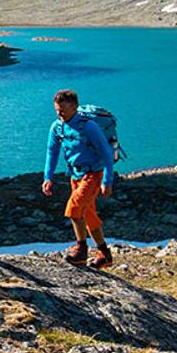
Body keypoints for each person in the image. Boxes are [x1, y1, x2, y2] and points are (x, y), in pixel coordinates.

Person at [43, 89, 115, 269]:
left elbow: (106, 153)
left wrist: (107, 181)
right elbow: (52, 152)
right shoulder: (57, 127)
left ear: (74, 107)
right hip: (75, 175)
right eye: (57, 110)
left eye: (63, 110)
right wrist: (48, 177)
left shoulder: (88, 126)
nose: (60, 113)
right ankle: (104, 254)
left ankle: (81, 250)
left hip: (93, 174)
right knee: (88, 215)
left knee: (74, 208)